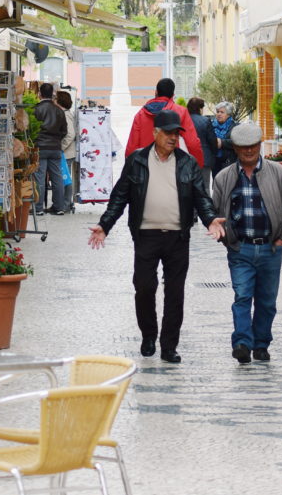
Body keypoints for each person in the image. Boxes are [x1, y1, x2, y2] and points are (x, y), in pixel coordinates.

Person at [88, 111, 225, 363]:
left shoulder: (187, 163)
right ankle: (148, 335)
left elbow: (201, 197)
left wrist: (210, 219)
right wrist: (105, 225)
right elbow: (120, 196)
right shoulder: (137, 161)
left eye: (177, 133)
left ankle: (169, 345)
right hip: (146, 236)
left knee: (175, 293)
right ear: (155, 133)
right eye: (169, 133)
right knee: (144, 287)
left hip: (177, 237)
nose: (173, 138)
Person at [211, 122, 282, 364]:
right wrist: (227, 239)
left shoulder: (278, 173)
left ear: (259, 146)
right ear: (235, 149)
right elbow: (214, 212)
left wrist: (281, 239)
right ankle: (241, 342)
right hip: (241, 248)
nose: (248, 151)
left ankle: (261, 344)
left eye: (253, 146)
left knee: (267, 301)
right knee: (242, 296)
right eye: (243, 147)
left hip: (270, 247)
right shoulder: (223, 178)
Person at [125, 78, 204, 167]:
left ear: (156, 92)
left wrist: (130, 169)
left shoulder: (140, 114)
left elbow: (131, 147)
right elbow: (193, 143)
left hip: (144, 167)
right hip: (170, 165)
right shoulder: (180, 112)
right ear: (173, 95)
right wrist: (198, 166)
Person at [33, 82, 67, 216]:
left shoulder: (36, 109)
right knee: (57, 177)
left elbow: (32, 128)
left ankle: (38, 208)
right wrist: (57, 139)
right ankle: (59, 207)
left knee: (40, 178)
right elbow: (64, 131)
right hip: (55, 147)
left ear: (40, 94)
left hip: (40, 147)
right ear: (52, 94)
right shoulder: (59, 110)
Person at [187, 97, 217, 192]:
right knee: (205, 187)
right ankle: (205, 206)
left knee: (189, 186)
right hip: (205, 158)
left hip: (187, 158)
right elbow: (212, 140)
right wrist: (214, 153)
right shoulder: (206, 121)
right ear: (200, 108)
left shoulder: (184, 120)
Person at [56, 90, 76, 213]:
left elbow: (70, 134)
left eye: (55, 98)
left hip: (66, 153)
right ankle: (65, 203)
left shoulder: (65, 114)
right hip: (66, 152)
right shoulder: (65, 113)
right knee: (65, 178)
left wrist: (61, 147)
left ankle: (66, 204)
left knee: (66, 179)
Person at [211, 101, 237, 175]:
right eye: (218, 111)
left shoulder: (233, 126)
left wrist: (222, 142)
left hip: (228, 162)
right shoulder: (211, 125)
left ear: (228, 115)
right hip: (215, 162)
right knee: (216, 183)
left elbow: (236, 142)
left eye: (222, 112)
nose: (219, 114)